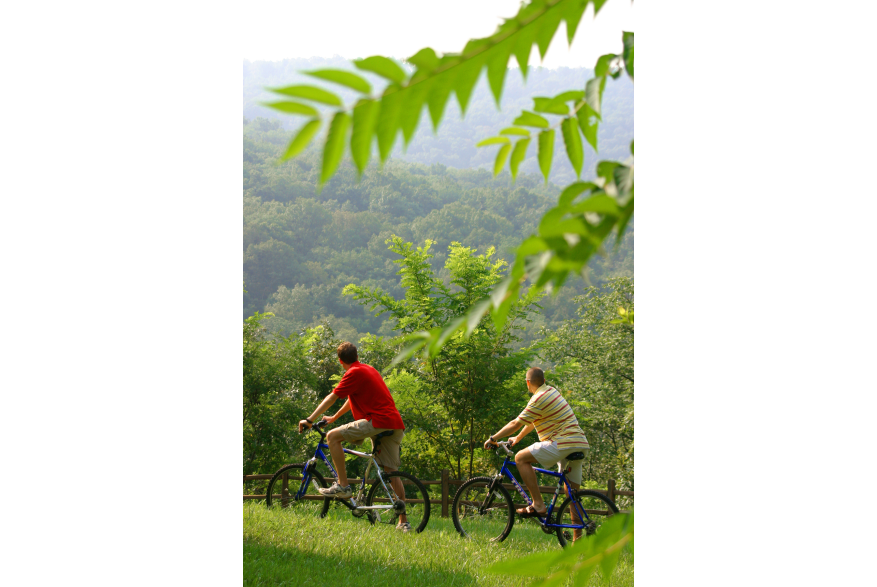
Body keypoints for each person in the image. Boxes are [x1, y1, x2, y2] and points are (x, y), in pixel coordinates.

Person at [298, 342, 411, 532]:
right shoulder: (368, 369)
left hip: (377, 421)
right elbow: (351, 399)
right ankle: (403, 522)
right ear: (356, 355)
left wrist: (310, 419)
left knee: (332, 437)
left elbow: (333, 397)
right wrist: (334, 417)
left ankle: (343, 485)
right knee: (391, 472)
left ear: (341, 362)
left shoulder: (353, 373)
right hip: (394, 423)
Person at [484, 368, 590, 541]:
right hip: (580, 443)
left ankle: (538, 505)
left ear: (527, 383)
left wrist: (493, 438)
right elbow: (533, 421)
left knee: (520, 458)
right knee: (572, 495)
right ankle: (577, 541)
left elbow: (515, 422)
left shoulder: (538, 399)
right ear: (544, 380)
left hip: (562, 443)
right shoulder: (551, 391)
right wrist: (517, 438)